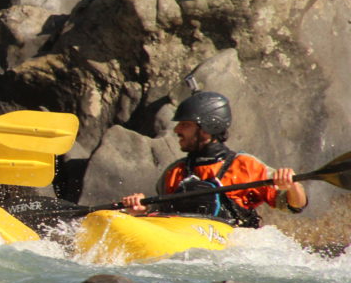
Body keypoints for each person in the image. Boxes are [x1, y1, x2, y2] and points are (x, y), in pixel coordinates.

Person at [120, 91, 307, 226]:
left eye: (185, 125)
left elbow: (296, 206)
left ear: (208, 127)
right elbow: (161, 217)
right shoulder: (174, 172)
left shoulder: (246, 166)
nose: (177, 130)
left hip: (230, 248)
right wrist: (140, 210)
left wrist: (292, 185)